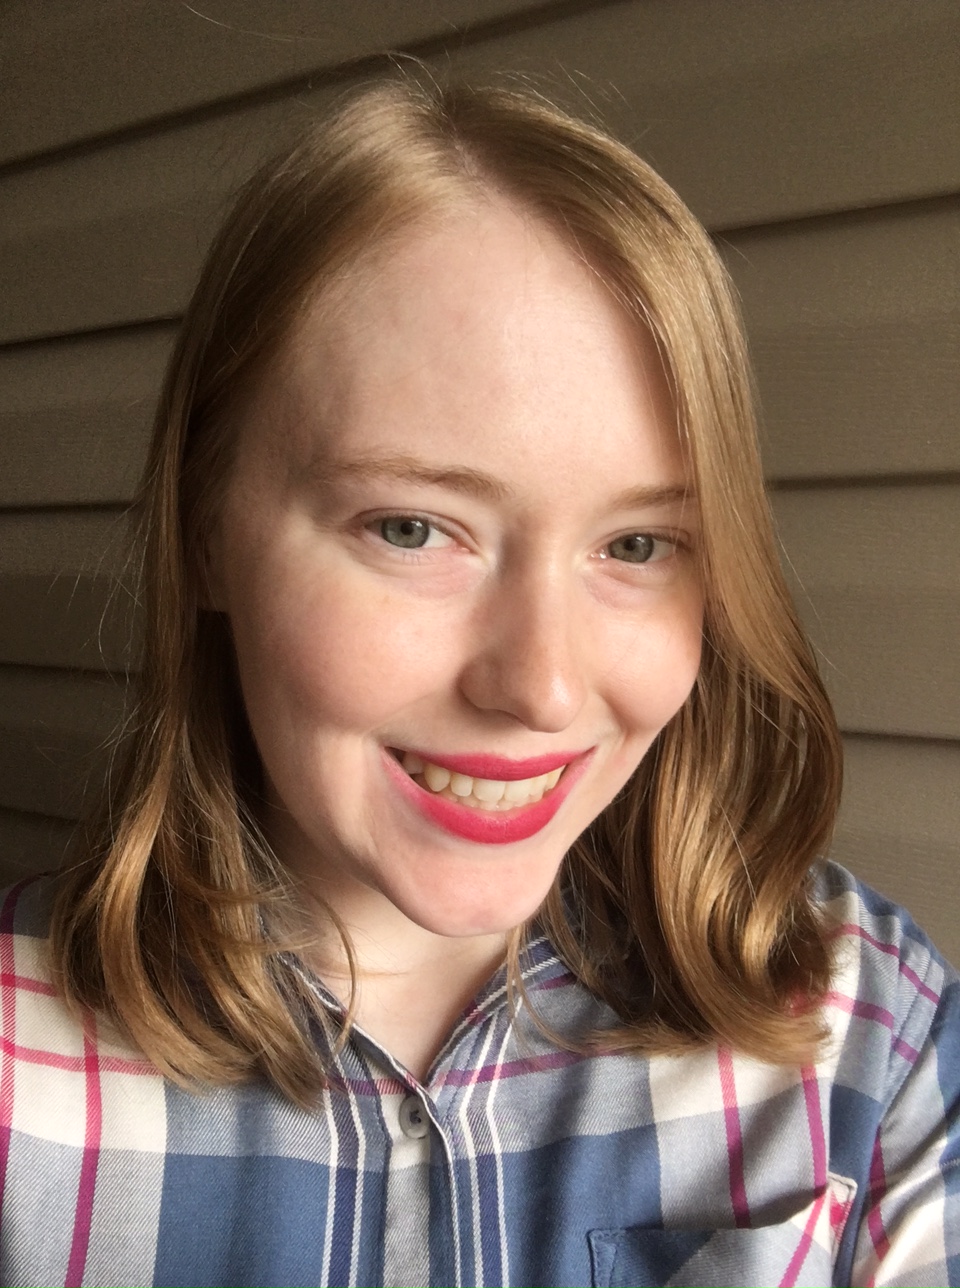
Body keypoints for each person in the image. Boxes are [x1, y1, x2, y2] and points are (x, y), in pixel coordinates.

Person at [1, 77, 956, 1288]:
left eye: (636, 545)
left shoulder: (865, 1029)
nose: (544, 687)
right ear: (204, 529)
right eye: (411, 528)